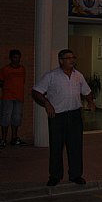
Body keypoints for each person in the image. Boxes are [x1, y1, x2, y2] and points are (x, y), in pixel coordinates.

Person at [32, 49, 95, 186]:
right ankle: (55, 176)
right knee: (56, 147)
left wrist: (90, 102)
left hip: (74, 116)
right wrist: (47, 103)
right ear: (61, 60)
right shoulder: (51, 76)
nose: (72, 60)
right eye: (68, 58)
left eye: (73, 57)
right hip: (57, 117)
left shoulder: (78, 76)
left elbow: (87, 91)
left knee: (75, 147)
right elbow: (36, 91)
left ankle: (75, 175)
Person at [0, 49, 27, 147]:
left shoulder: (22, 69)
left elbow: (23, 81)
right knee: (5, 117)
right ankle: (3, 139)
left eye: (18, 57)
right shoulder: (5, 69)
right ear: (11, 58)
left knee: (16, 118)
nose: (17, 60)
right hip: (8, 97)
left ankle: (14, 138)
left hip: (19, 97)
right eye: (15, 57)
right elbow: (1, 82)